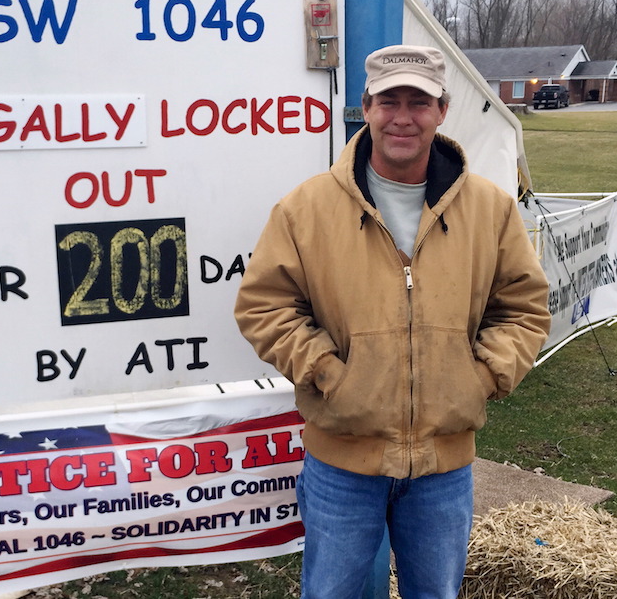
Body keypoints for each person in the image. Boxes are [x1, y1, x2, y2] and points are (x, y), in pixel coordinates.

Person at [233, 44, 551, 598]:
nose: (403, 116)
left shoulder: (490, 209)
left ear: (442, 110)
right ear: (366, 106)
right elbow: (265, 306)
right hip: (341, 464)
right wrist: (331, 374)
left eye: (419, 102)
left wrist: (480, 376)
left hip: (442, 469)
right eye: (389, 101)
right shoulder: (305, 210)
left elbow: (524, 308)